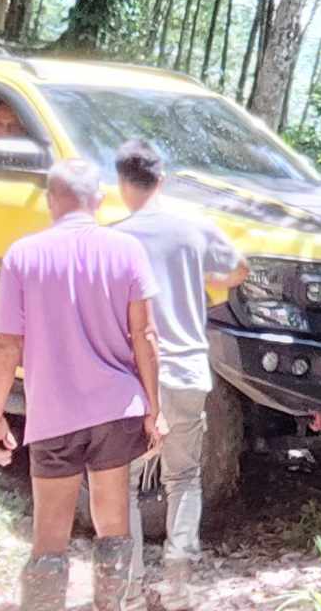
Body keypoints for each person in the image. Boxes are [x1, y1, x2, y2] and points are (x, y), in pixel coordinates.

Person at [0, 157, 164, 611]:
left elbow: (6, 344)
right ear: (98, 200)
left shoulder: (23, 255)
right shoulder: (126, 250)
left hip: (54, 414)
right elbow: (145, 335)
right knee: (113, 526)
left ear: (50, 201)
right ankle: (111, 605)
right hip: (116, 409)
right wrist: (154, 409)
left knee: (49, 539)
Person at [112, 139, 248, 609]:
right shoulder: (194, 226)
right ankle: (177, 585)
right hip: (189, 371)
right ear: (162, 180)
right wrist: (200, 283)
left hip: (133, 378)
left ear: (122, 184)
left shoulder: (115, 238)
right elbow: (240, 269)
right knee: (184, 477)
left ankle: (130, 588)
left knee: (124, 485)